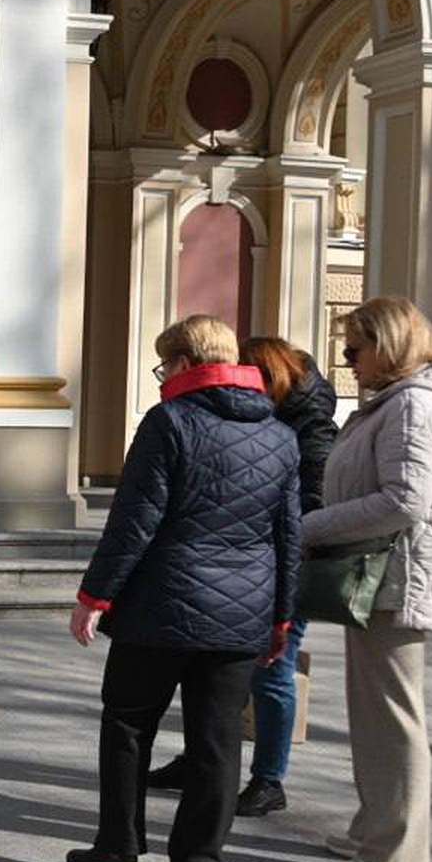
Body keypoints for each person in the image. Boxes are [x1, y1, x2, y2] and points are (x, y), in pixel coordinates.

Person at [67, 315, 299, 862]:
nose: (160, 376)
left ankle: (116, 856)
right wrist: (280, 618)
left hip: (160, 606)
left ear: (185, 363)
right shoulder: (279, 433)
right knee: (218, 742)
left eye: (164, 364)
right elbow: (288, 535)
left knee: (128, 725)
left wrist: (94, 596)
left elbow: (134, 520)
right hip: (243, 613)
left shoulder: (169, 421)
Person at [303, 297, 432, 862]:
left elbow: (404, 500)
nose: (347, 361)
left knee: (392, 717)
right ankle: (376, 826)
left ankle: (398, 855)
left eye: (355, 349)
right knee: (374, 713)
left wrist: (311, 528)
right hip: (381, 575)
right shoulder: (399, 401)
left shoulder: (416, 405)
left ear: (388, 345)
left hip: (397, 577)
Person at [148, 336, 339, 817]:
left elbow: (310, 503)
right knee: (214, 674)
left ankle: (269, 779)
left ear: (267, 377)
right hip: (244, 559)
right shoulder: (269, 415)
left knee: (273, 672)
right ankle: (199, 759)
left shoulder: (309, 427)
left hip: (284, 564)